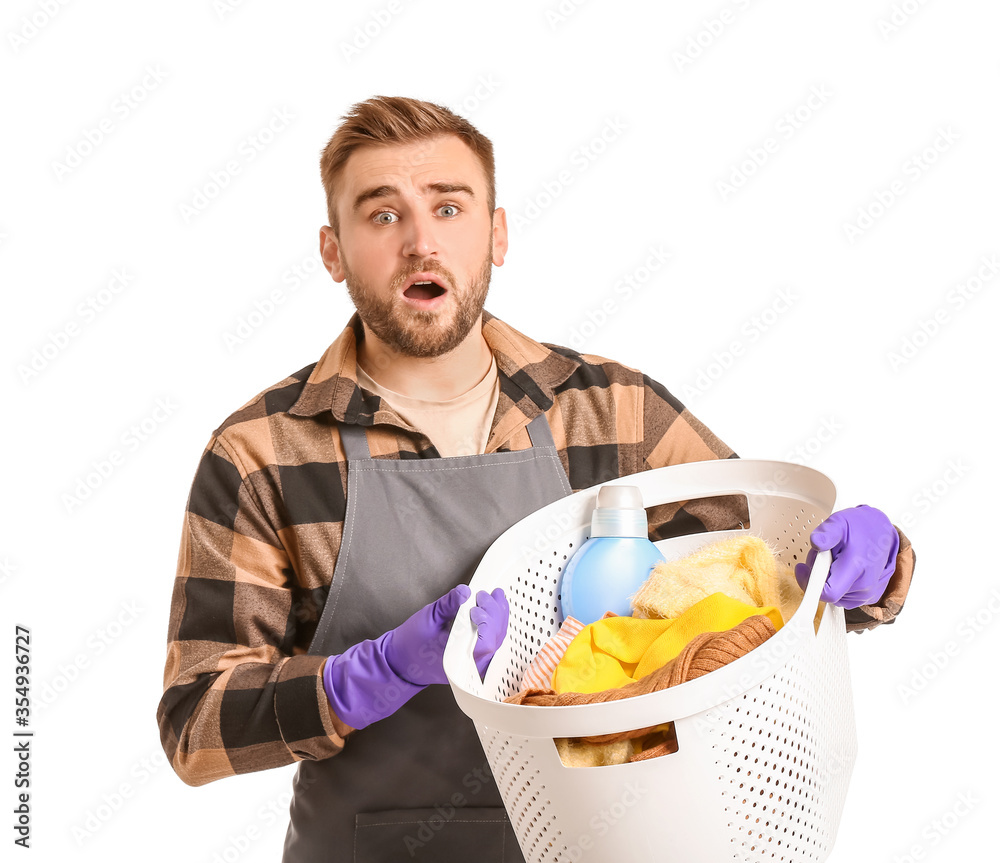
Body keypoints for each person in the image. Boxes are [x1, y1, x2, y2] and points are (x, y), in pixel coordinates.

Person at [157, 96, 915, 862]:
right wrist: (369, 673)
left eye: (449, 208)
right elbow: (194, 726)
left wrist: (866, 567)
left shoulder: (613, 411)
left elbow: (763, 586)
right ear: (333, 251)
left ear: (497, 234)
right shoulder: (262, 452)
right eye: (382, 216)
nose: (422, 242)